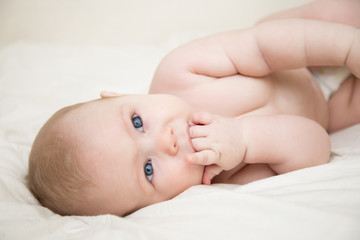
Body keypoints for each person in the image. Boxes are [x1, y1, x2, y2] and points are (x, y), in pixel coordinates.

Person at [27, 0, 360, 217]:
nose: (165, 141)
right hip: (330, 107)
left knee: (338, 14)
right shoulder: (223, 175)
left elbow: (261, 46)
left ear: (117, 95)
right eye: (148, 169)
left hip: (298, 50)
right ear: (155, 206)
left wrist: (346, 50)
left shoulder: (180, 71)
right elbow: (316, 146)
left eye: (138, 122)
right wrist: (246, 140)